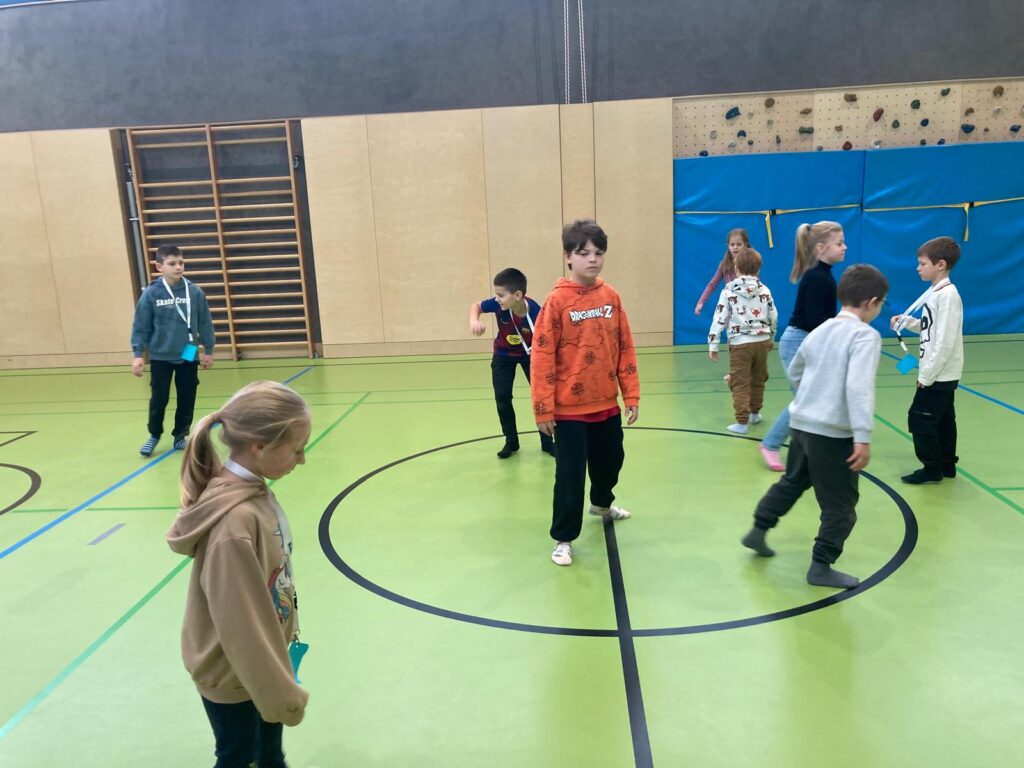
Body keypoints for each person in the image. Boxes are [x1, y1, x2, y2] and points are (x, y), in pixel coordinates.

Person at [167, 380, 311, 768]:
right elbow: (240, 624)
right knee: (241, 757)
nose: (302, 460)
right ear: (259, 446)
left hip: (259, 667)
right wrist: (280, 691)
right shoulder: (234, 524)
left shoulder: (254, 493)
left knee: (268, 756)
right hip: (237, 671)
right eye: (297, 449)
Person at [741, 264, 889, 589]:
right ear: (871, 302)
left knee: (793, 481)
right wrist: (862, 436)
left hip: (802, 425)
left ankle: (758, 529)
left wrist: (812, 397)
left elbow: (796, 370)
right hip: (833, 434)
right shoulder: (865, 336)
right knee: (841, 505)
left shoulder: (821, 329)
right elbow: (859, 388)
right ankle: (821, 565)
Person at [530, 219, 640, 567]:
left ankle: (602, 503)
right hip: (568, 410)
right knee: (570, 476)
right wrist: (543, 408)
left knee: (612, 460)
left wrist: (631, 395)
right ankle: (563, 538)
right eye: (584, 253)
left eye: (598, 253)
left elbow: (625, 347)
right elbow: (542, 356)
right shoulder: (556, 301)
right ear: (568, 257)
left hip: (606, 403)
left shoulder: (611, 297)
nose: (592, 259)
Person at [758, 221, 846, 471]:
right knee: (805, 399)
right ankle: (771, 444)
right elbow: (814, 320)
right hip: (799, 343)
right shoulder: (818, 278)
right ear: (821, 247)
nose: (844, 247)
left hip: (806, 340)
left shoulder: (823, 275)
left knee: (810, 398)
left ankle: (811, 446)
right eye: (839, 243)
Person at [890, 236, 964, 484]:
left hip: (938, 374)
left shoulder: (948, 296)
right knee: (943, 420)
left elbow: (945, 342)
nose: (918, 268)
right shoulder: (936, 293)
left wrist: (926, 376)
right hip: (939, 372)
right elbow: (931, 327)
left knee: (920, 419)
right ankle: (946, 465)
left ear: (940, 264)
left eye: (923, 264)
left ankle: (932, 468)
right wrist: (907, 322)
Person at [130, 244, 215, 456]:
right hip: (161, 354)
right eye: (172, 263)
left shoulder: (194, 292)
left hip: (188, 351)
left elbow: (205, 322)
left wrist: (208, 349)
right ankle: (154, 434)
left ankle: (180, 434)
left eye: (181, 263)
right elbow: (141, 325)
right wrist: (138, 354)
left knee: (187, 394)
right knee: (159, 398)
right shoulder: (152, 294)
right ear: (160, 267)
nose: (178, 267)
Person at [469, 268, 555, 458]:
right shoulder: (497, 305)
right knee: (502, 398)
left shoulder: (536, 313)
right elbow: (476, 306)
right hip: (503, 354)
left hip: (531, 355)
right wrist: (474, 320)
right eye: (496, 295)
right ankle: (511, 441)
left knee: (540, 397)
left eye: (501, 295)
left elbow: (548, 342)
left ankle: (548, 441)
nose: (497, 299)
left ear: (517, 295)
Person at [707, 247, 778, 434]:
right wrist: (771, 336)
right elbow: (773, 316)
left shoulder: (728, 291)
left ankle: (742, 422)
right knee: (758, 378)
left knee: (740, 382)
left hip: (740, 343)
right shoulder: (765, 290)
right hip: (762, 341)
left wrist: (713, 344)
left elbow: (719, 318)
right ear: (758, 269)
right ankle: (754, 413)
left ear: (736, 269)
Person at [693, 228, 748, 316]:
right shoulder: (724, 265)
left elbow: (756, 284)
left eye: (739, 244)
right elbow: (712, 285)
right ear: (728, 245)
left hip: (747, 306)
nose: (735, 247)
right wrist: (701, 302)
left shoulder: (750, 263)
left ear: (745, 245)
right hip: (730, 307)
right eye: (732, 244)